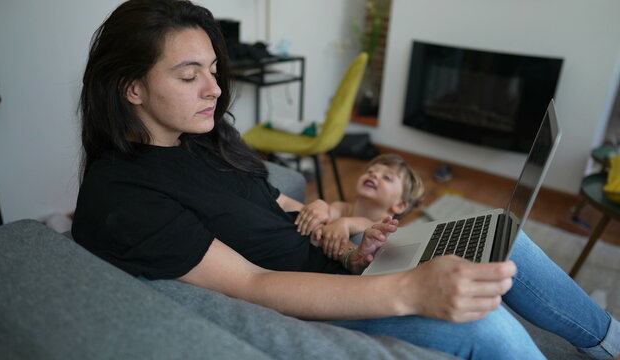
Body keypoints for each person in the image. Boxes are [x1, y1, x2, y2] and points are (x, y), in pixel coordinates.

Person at [71, 1, 620, 359]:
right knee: (487, 326)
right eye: (189, 75)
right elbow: (253, 286)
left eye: (213, 70)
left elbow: (274, 201)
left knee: (500, 232)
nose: (214, 89)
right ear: (131, 88)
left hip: (344, 263)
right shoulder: (121, 194)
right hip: (324, 299)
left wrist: (345, 229)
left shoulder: (203, 137)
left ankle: (608, 343)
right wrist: (406, 288)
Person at [295, 153, 425, 260]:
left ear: (399, 205)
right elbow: (327, 213)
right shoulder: (342, 208)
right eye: (370, 171)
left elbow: (370, 226)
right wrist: (321, 206)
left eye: (387, 177)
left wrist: (345, 222)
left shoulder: (384, 227)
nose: (374, 175)